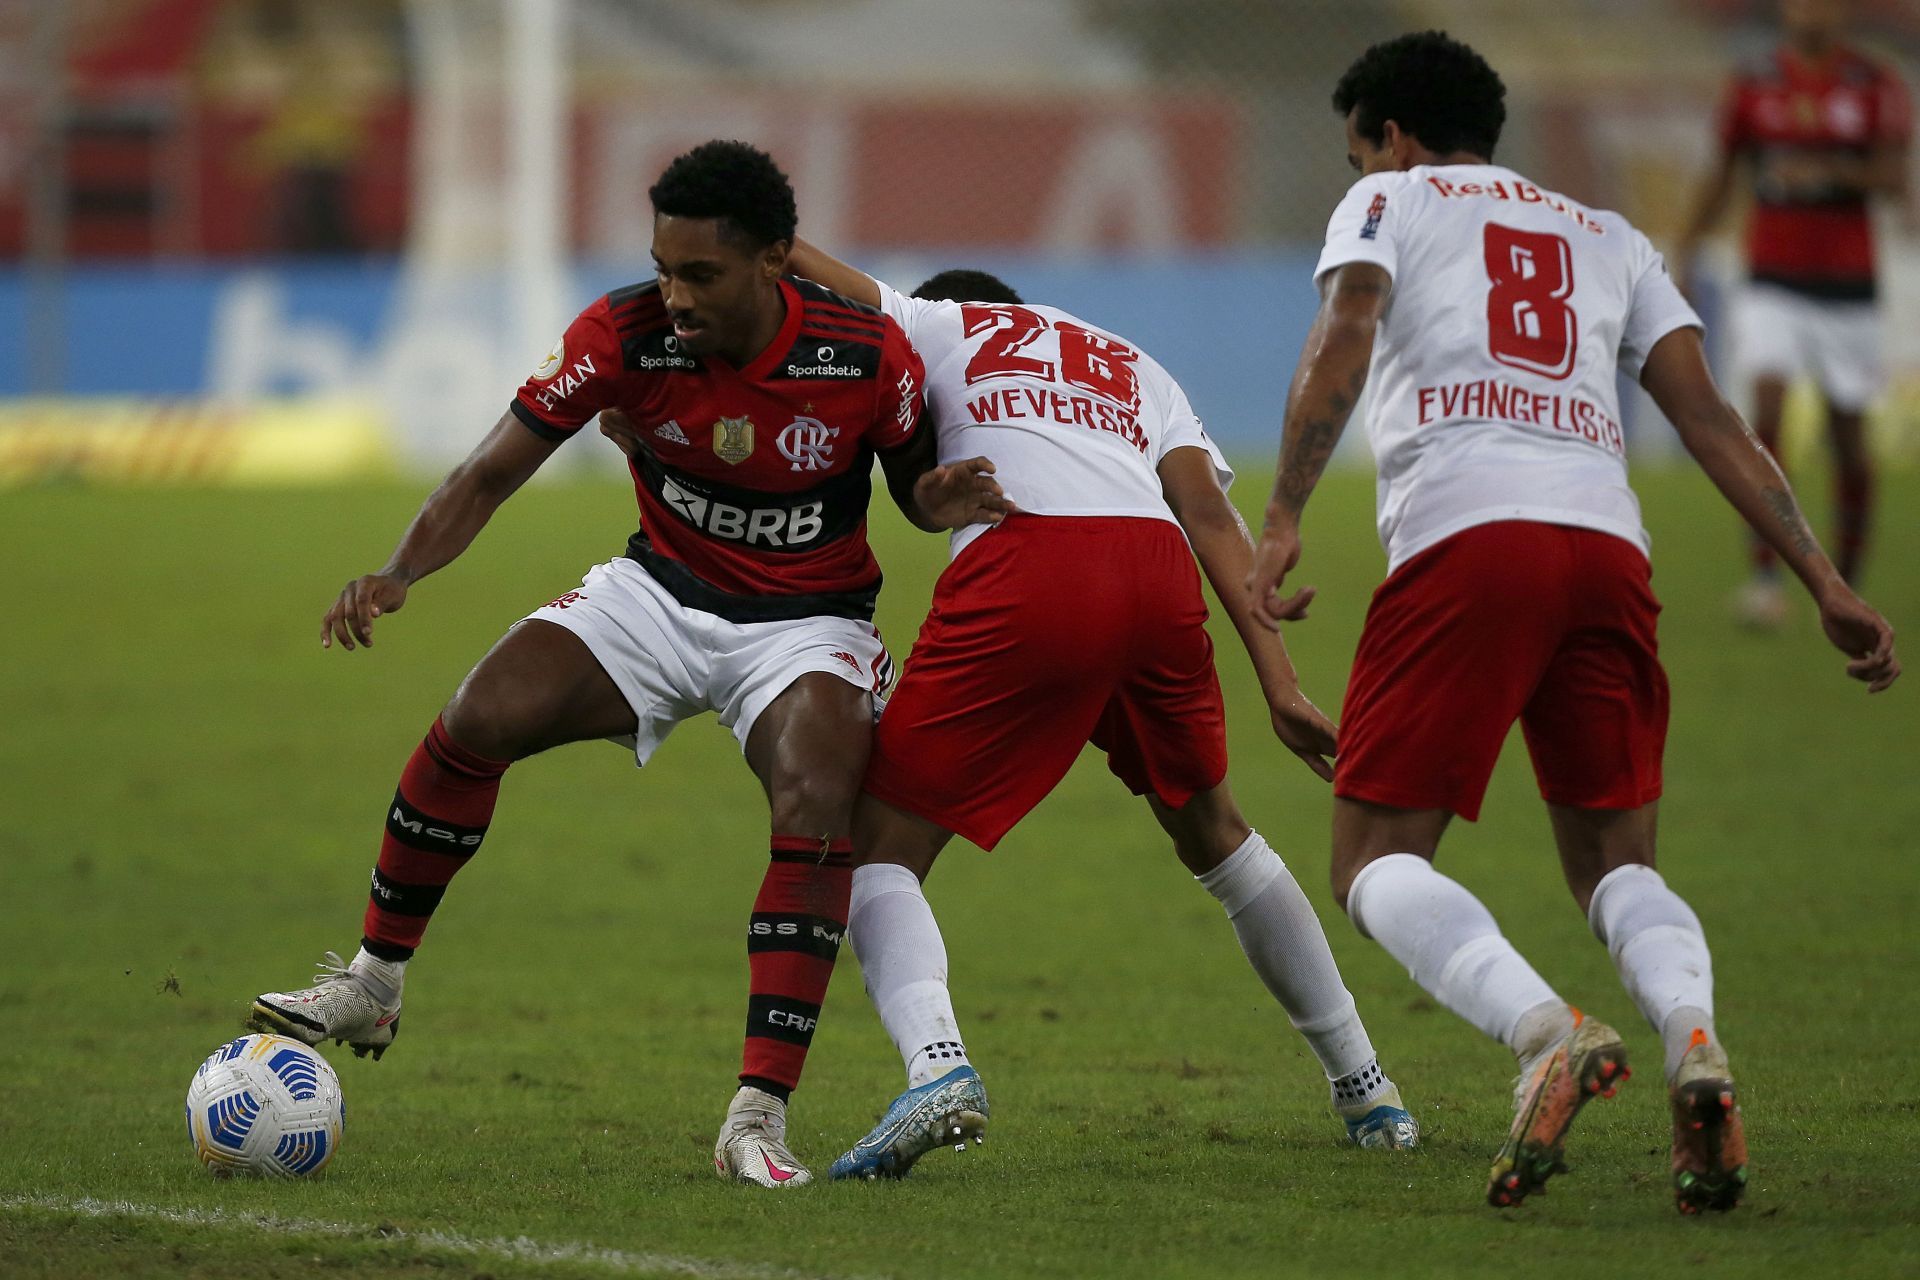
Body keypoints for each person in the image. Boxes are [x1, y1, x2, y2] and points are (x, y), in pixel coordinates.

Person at [247, 140, 1009, 1189]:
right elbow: (489, 470)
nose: (675, 294)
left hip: (807, 621)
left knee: (815, 796)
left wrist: (946, 500)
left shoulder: (863, 353)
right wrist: (398, 572)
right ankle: (376, 978)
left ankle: (757, 1113)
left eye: (701, 274)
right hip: (656, 594)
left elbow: (916, 493)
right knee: (477, 716)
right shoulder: (622, 333)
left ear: (777, 259)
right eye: (663, 267)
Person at [1246, 31, 1899, 1215]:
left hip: (1467, 541)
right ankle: (1694, 1039)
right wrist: (1825, 578)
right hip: (1607, 549)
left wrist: (1285, 509)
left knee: (1375, 856)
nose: (1361, 180)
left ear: (1389, 137)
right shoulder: (1608, 234)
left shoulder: (1390, 200)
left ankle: (1547, 1031)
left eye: (1360, 158)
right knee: (1615, 860)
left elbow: (1346, 327)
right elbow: (1709, 421)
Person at [767, 243, 1421, 1179]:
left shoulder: (939, 324)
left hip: (1033, 570)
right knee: (1219, 835)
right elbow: (1207, 516)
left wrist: (767, 227)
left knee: (875, 848)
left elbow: (826, 280)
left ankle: (937, 1067)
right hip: (1154, 576)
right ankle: (1368, 1089)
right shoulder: (1133, 362)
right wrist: (1278, 682)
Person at [1673, 0, 1912, 627]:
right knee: (1767, 409)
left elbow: (1892, 176)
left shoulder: (1873, 84)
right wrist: (1688, 244)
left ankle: (1847, 585)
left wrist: (1828, 170)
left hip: (1848, 286)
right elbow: (1722, 172)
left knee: (1849, 440)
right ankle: (1764, 579)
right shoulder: (1754, 83)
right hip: (1770, 280)